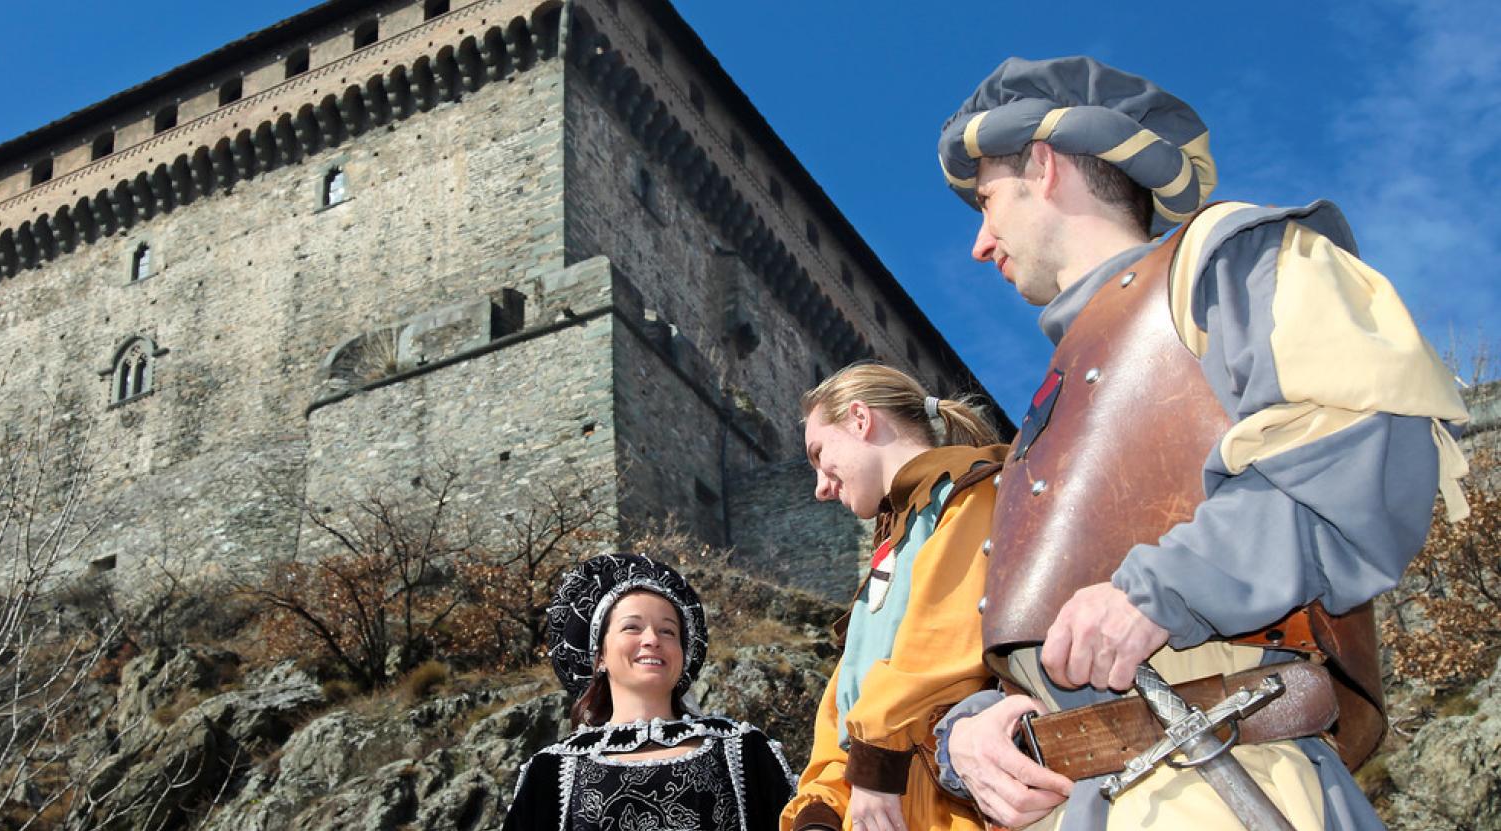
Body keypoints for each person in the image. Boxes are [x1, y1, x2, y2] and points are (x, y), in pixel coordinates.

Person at [928, 57, 1472, 829]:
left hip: (1214, 777)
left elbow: (1366, 446)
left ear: (1042, 166)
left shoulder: (1227, 263)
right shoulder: (1045, 420)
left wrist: (1161, 590)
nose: (980, 245)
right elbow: (1053, 641)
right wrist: (984, 724)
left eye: (986, 202)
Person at [782, 364, 1006, 831]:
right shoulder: (896, 543)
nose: (820, 487)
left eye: (819, 454)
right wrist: (821, 812)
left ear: (860, 419)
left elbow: (942, 644)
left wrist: (874, 763)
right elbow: (846, 703)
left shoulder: (967, 491)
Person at [505, 553, 796, 830]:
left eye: (668, 631)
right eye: (632, 627)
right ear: (599, 655)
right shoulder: (550, 772)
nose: (652, 640)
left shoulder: (744, 750)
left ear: (684, 653)